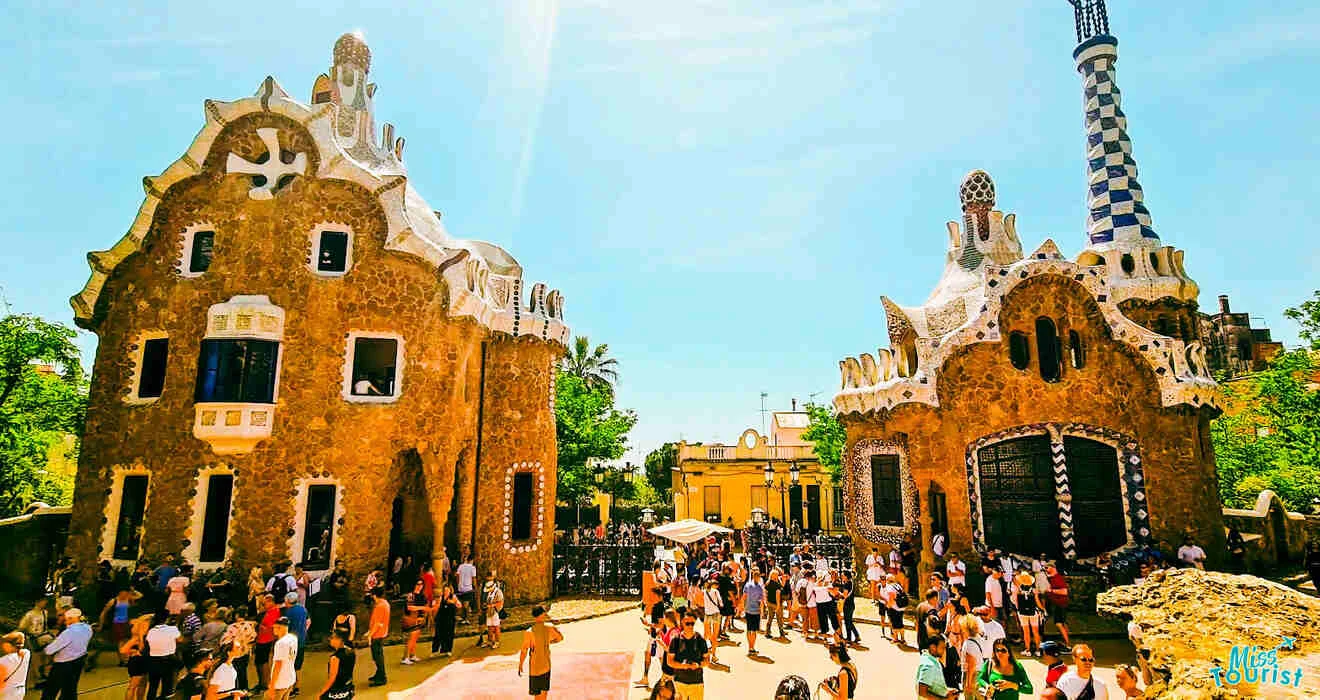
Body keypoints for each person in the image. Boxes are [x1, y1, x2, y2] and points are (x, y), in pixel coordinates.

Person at [41, 607, 92, 700]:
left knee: (51, 690)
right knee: (70, 688)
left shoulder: (68, 632)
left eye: (65, 619)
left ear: (71, 619)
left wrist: (46, 646)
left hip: (63, 664)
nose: (64, 621)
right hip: (79, 660)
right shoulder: (88, 628)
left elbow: (49, 651)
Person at [518, 605, 563, 700]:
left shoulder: (529, 632)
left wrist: (520, 664)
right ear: (542, 614)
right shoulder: (550, 627)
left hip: (535, 667)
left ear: (534, 616)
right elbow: (560, 638)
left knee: (537, 696)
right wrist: (549, 642)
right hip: (546, 665)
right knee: (544, 694)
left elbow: (524, 650)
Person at [667, 613, 708, 700]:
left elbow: (707, 660)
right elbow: (669, 661)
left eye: (692, 623)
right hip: (680, 682)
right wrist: (684, 666)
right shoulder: (676, 640)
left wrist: (698, 665)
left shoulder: (700, 640)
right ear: (682, 623)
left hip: (697, 682)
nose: (690, 626)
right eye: (687, 623)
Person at [144, 614, 182, 700]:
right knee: (167, 686)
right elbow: (180, 640)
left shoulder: (151, 631)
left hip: (153, 661)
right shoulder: (172, 629)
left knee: (153, 686)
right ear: (167, 619)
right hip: (168, 660)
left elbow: (147, 643)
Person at [220, 608, 256, 691]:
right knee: (243, 671)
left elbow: (226, 640)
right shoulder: (251, 626)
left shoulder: (232, 627)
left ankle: (236, 690)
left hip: (235, 652)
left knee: (235, 672)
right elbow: (253, 638)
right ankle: (245, 689)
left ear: (236, 615)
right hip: (246, 652)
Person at [916, 633, 959, 699]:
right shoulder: (929, 666)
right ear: (933, 647)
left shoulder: (928, 658)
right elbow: (922, 692)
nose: (944, 651)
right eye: (942, 648)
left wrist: (946, 691)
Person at [316, 630, 355, 700]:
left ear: (340, 640)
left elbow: (332, 677)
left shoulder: (335, 657)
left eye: (333, 637)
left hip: (337, 690)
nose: (330, 639)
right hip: (348, 687)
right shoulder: (351, 651)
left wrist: (322, 692)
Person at [1013, 569, 1044, 656]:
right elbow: (1037, 602)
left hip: (1022, 613)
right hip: (1033, 612)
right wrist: (1043, 609)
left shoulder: (1018, 590)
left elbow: (1016, 602)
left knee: (1026, 632)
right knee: (1035, 632)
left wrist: (1018, 610)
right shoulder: (1034, 590)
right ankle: (1038, 650)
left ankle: (1028, 650)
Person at [252, 595, 279, 694]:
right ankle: (263, 683)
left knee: (263, 662)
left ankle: (265, 683)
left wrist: (260, 626)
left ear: (271, 601)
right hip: (264, 639)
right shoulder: (271, 611)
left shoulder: (273, 611)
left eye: (264, 603)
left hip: (265, 640)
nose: (263, 605)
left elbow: (268, 627)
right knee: (262, 662)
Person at [268, 616, 298, 700]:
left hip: (280, 681)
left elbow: (278, 664)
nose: (273, 630)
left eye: (274, 628)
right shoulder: (293, 638)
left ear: (279, 628)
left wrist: (272, 685)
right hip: (290, 677)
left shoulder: (280, 643)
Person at [280, 592, 309, 676]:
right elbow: (308, 621)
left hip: (291, 641)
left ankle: (292, 685)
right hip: (301, 639)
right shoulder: (303, 609)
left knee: (290, 663)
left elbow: (285, 626)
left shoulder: (288, 612)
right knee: (297, 664)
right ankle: (296, 685)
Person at [1044, 563, 1072, 648]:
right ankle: (1066, 641)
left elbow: (1064, 592)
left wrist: (1051, 591)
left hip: (1060, 603)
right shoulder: (1053, 578)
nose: (1045, 569)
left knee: (1059, 624)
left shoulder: (1058, 578)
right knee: (1062, 623)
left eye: (1047, 568)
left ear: (1052, 568)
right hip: (1058, 603)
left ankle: (1068, 645)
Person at [366, 588, 389, 687]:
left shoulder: (379, 606)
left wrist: (370, 635)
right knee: (378, 655)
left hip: (377, 634)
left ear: (374, 595)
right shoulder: (385, 603)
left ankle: (382, 677)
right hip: (381, 632)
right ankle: (379, 674)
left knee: (377, 657)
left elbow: (377, 623)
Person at [402, 579, 428, 665]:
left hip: (418, 618)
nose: (420, 586)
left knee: (415, 638)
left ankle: (412, 655)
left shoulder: (422, 595)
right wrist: (422, 608)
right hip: (410, 618)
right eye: (418, 584)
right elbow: (409, 607)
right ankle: (406, 657)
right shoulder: (410, 595)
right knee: (411, 639)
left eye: (421, 584)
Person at [958, 615, 984, 700]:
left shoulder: (968, 643)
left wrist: (968, 683)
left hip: (972, 675)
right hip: (980, 673)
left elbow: (971, 663)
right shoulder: (979, 639)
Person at [0, 632, 32, 700]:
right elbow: (24, 650)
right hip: (20, 691)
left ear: (8, 645)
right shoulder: (26, 654)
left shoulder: (4, 660)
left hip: (7, 693)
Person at [741, 569, 765, 656]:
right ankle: (752, 647)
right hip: (756, 611)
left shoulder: (747, 585)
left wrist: (742, 608)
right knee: (754, 631)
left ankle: (750, 647)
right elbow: (761, 602)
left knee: (749, 629)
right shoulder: (760, 588)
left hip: (748, 610)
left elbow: (744, 597)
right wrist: (762, 613)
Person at [431, 585, 459, 657]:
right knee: (438, 634)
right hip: (441, 618)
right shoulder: (441, 598)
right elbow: (436, 608)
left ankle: (448, 650)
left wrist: (453, 602)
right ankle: (435, 650)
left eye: (448, 590)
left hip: (450, 618)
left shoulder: (453, 597)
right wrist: (433, 618)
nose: (446, 592)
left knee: (449, 634)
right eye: (445, 591)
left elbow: (459, 605)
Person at [882, 573, 906, 647]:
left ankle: (895, 638)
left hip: (895, 607)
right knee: (900, 622)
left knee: (894, 623)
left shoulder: (889, 586)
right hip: (901, 607)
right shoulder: (898, 585)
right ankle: (902, 639)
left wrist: (889, 606)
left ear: (887, 580)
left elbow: (892, 596)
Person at [483, 572, 505, 649]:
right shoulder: (490, 592)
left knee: (496, 627)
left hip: (495, 612)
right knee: (489, 627)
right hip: (489, 612)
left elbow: (501, 602)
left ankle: (497, 642)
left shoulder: (498, 592)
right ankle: (490, 641)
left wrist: (492, 606)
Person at [838, 570, 860, 645]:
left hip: (847, 605)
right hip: (851, 605)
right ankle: (856, 636)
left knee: (847, 622)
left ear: (846, 576)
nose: (841, 576)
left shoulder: (847, 584)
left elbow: (844, 595)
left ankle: (849, 638)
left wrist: (837, 593)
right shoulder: (850, 583)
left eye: (843, 575)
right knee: (849, 621)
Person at [456, 557, 477, 624]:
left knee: (462, 604)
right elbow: (473, 578)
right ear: (471, 560)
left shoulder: (460, 566)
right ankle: (466, 619)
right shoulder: (472, 567)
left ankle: (463, 618)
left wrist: (458, 584)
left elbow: (457, 576)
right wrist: (475, 586)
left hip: (461, 587)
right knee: (467, 604)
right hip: (468, 588)